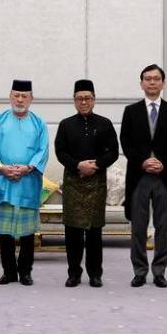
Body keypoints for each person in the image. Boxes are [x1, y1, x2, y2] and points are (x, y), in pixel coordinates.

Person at [120, 64, 167, 288]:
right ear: (141, 83)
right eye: (148, 79)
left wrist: (162, 163)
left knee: (162, 226)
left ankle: (159, 271)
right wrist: (143, 161)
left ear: (163, 83)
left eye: (156, 79)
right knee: (138, 226)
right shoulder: (131, 111)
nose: (152, 82)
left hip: (163, 177)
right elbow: (125, 143)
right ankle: (139, 270)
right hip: (139, 176)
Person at [0, 80, 49, 286]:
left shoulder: (39, 123)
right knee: (4, 232)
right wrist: (2, 167)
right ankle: (9, 272)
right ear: (10, 96)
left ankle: (26, 272)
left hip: (28, 182)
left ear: (31, 98)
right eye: (16, 95)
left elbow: (43, 150)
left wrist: (27, 168)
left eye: (24, 96)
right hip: (3, 181)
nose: (20, 100)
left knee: (28, 232)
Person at [54, 79, 118, 288]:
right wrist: (78, 165)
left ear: (94, 100)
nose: (84, 102)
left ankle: (95, 274)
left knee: (94, 232)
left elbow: (113, 152)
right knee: (72, 231)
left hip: (96, 181)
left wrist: (96, 165)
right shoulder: (65, 125)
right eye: (79, 98)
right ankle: (73, 273)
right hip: (73, 181)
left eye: (87, 98)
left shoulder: (105, 124)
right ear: (74, 101)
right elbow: (60, 152)